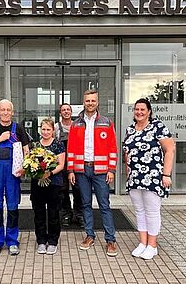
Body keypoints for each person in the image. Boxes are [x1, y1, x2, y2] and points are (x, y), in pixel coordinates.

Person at [67, 89, 118, 257]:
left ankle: (110, 240)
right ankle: (90, 235)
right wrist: (71, 170)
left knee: (104, 205)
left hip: (101, 171)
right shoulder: (76, 124)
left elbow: (112, 148)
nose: (90, 103)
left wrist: (111, 169)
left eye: (93, 101)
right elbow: (71, 149)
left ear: (97, 102)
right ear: (84, 102)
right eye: (87, 101)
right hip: (82, 170)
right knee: (86, 205)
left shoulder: (106, 122)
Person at [122, 98, 175, 260]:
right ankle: (143, 243)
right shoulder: (130, 129)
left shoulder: (158, 127)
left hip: (153, 176)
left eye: (142, 109)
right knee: (139, 211)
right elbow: (127, 153)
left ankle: (152, 245)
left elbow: (170, 150)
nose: (139, 112)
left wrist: (166, 174)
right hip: (135, 177)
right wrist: (128, 173)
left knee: (152, 211)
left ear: (149, 111)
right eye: (136, 109)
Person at [0, 99, 30, 256]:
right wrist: (0, 138)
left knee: (13, 206)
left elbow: (26, 150)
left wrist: (24, 168)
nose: (6, 112)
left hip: (13, 174)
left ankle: (12, 241)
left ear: (12, 112)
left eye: (8, 110)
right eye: (3, 110)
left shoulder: (19, 128)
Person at [31, 118, 65, 255]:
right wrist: (37, 172)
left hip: (54, 183)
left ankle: (52, 241)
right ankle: (41, 241)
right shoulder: (35, 145)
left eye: (48, 129)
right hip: (37, 183)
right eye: (43, 129)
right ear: (40, 129)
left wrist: (49, 173)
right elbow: (30, 162)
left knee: (53, 213)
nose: (45, 132)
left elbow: (61, 164)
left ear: (53, 131)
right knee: (38, 213)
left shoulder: (58, 145)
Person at [55, 103, 83, 228]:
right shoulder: (56, 127)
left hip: (76, 163)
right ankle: (66, 213)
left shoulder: (78, 126)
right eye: (63, 110)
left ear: (71, 112)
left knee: (78, 189)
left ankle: (79, 214)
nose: (66, 112)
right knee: (62, 190)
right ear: (60, 113)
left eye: (68, 110)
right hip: (62, 164)